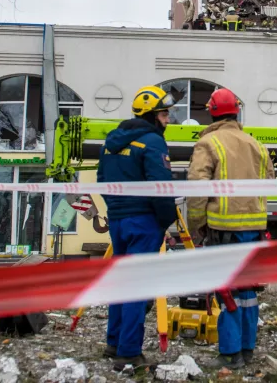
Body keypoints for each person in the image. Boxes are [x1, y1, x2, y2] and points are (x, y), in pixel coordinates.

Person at [186, 88, 274, 370]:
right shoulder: (256, 144)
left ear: (212, 111)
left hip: (223, 228)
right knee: (248, 293)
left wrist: (196, 224)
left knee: (227, 292)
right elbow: (270, 181)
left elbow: (197, 190)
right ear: (236, 111)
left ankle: (229, 353)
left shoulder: (208, 143)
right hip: (254, 228)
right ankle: (247, 349)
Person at [97, 85, 178, 370]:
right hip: (144, 222)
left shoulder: (111, 140)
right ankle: (129, 352)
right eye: (165, 114)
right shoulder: (152, 142)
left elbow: (101, 181)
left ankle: (114, 341)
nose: (168, 120)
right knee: (136, 286)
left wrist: (116, 210)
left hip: (119, 221)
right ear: (153, 115)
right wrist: (165, 219)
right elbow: (161, 188)